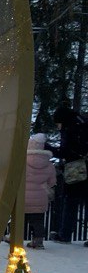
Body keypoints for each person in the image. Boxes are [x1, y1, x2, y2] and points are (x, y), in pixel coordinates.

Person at [51, 103, 87, 244]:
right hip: (84, 166)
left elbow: (67, 151)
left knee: (71, 201)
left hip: (76, 169)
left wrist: (49, 148)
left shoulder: (71, 128)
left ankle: (65, 234)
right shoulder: (81, 122)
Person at [24, 133, 56, 249]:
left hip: (24, 196)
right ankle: (38, 241)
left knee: (20, 218)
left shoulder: (22, 161)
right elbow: (52, 182)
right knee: (38, 220)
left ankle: (14, 237)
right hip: (41, 196)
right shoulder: (49, 164)